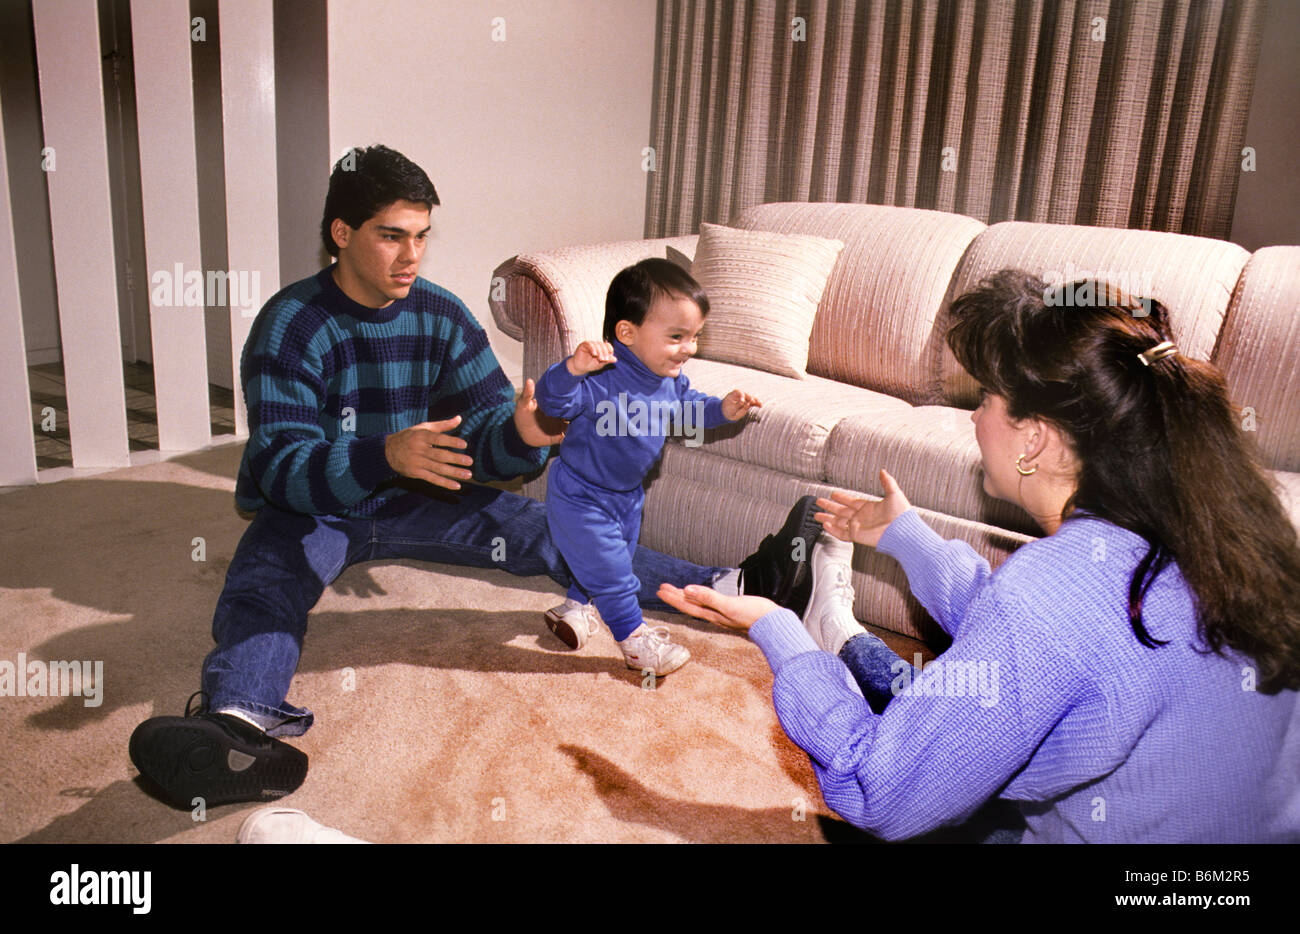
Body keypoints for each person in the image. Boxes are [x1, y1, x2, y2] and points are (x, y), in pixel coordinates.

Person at [127, 145, 816, 810]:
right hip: (319, 508)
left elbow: (490, 435)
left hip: (426, 495)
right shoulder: (290, 325)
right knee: (264, 576)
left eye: (422, 236)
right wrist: (378, 456)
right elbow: (279, 465)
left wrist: (522, 436)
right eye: (392, 236)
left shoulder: (442, 315)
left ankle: (738, 585)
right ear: (341, 233)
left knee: (563, 535)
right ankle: (238, 726)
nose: (412, 256)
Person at [660, 269, 1300, 843]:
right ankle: (847, 633)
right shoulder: (1221, 531)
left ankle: (825, 632)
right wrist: (908, 538)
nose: (972, 419)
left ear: (1036, 438)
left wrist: (778, 634)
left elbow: (877, 790)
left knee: (905, 786)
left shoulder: (1049, 596)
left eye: (985, 399)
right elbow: (1048, 646)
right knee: (952, 700)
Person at [534, 259, 761, 675]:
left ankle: (574, 608)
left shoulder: (670, 381)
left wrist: (724, 411)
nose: (689, 348)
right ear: (626, 333)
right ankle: (635, 641)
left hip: (628, 496)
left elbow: (692, 412)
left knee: (610, 559)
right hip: (580, 495)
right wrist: (570, 369)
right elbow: (552, 403)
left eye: (694, 337)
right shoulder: (598, 378)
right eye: (677, 336)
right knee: (615, 573)